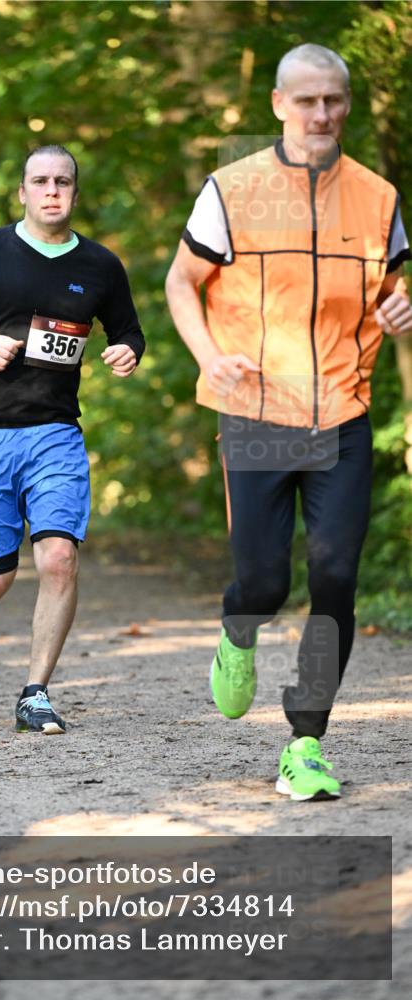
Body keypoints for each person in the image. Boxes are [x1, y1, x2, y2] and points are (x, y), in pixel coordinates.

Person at [165, 44, 411, 800]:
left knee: (334, 576)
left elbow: (395, 305)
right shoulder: (231, 189)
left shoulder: (377, 197)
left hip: (341, 413)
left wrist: (404, 314)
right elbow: (180, 281)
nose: (322, 114)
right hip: (256, 414)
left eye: (333, 100)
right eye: (306, 101)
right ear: (277, 104)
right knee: (263, 580)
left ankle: (305, 739)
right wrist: (208, 357)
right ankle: (238, 630)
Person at [0, 144, 145, 734]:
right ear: (22, 191)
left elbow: (128, 331)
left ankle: (35, 692)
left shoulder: (100, 265)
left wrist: (128, 351)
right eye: (40, 181)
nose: (52, 190)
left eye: (63, 181)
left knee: (59, 558)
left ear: (75, 192)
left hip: (54, 434)